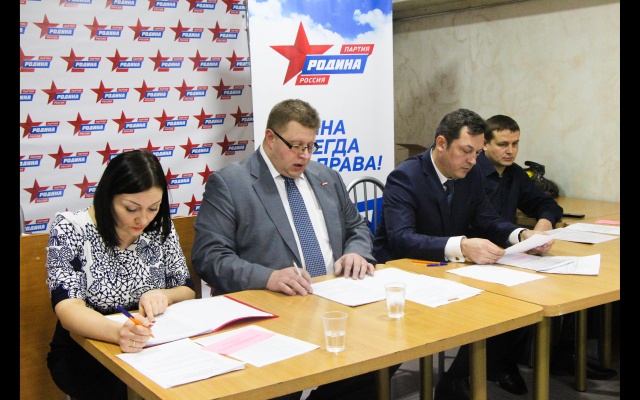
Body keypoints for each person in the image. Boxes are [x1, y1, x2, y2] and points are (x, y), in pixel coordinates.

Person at [192, 98, 398, 400]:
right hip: (274, 314)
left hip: (336, 302)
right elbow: (209, 257)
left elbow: (357, 226)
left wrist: (356, 251)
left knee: (388, 355)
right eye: (296, 146)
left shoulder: (326, 177)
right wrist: (268, 277)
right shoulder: (231, 184)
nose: (305, 156)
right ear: (271, 138)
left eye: (311, 146)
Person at [372, 108, 553, 400]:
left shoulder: (470, 174)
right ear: (441, 143)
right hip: (401, 274)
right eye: (466, 151)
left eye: (478, 153)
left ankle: (455, 381)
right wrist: (462, 246)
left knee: (511, 303)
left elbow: (487, 219)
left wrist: (521, 235)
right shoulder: (406, 177)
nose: (472, 161)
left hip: (446, 271)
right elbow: (401, 238)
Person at [46, 150, 196, 400]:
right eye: (131, 208)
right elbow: (68, 309)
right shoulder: (71, 228)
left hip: (153, 344)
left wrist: (164, 295)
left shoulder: (159, 227)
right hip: (88, 348)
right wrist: (118, 333)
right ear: (108, 197)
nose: (143, 219)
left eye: (153, 208)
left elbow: (187, 290)